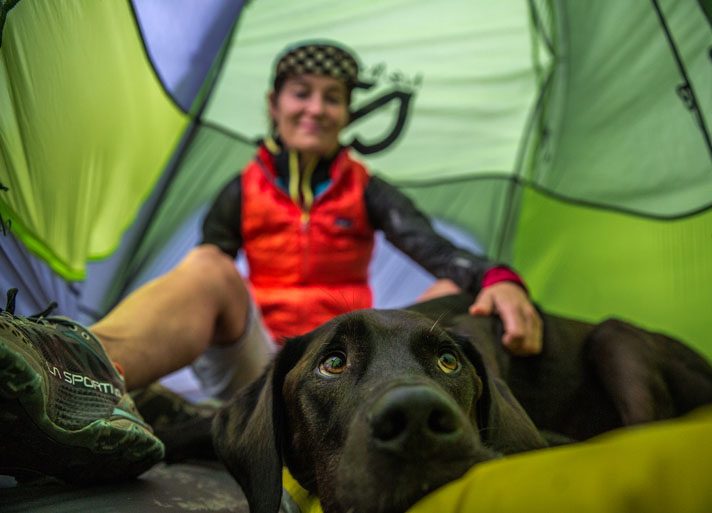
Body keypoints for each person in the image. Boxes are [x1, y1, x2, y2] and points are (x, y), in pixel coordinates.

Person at [0, 41, 542, 484]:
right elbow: (199, 280)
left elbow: (437, 251)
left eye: (332, 98)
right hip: (266, 366)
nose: (315, 109)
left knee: (446, 290)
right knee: (211, 266)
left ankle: (170, 413)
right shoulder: (243, 190)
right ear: (274, 104)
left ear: (346, 113)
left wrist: (501, 279)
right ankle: (71, 375)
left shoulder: (369, 191)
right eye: (301, 94)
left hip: (353, 378)